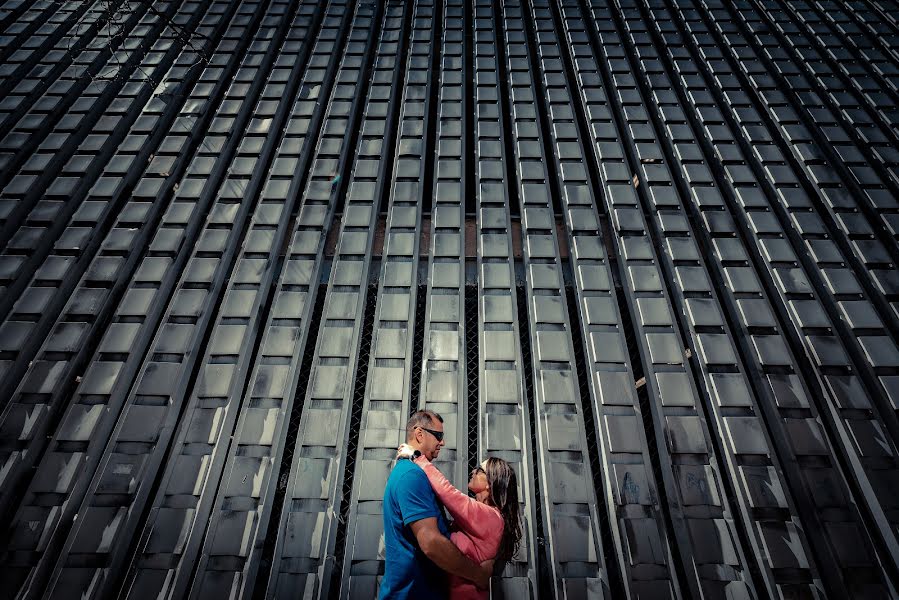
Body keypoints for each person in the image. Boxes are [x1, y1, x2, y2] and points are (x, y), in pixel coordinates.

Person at [380, 410, 493, 599]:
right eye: (439, 436)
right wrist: (477, 574)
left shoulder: (413, 472)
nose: (443, 442)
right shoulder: (411, 475)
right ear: (419, 434)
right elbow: (431, 542)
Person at [397, 447, 522, 600]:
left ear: (490, 482)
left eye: (479, 470)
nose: (473, 471)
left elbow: (448, 493)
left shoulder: (492, 518)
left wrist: (416, 456)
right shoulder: (480, 519)